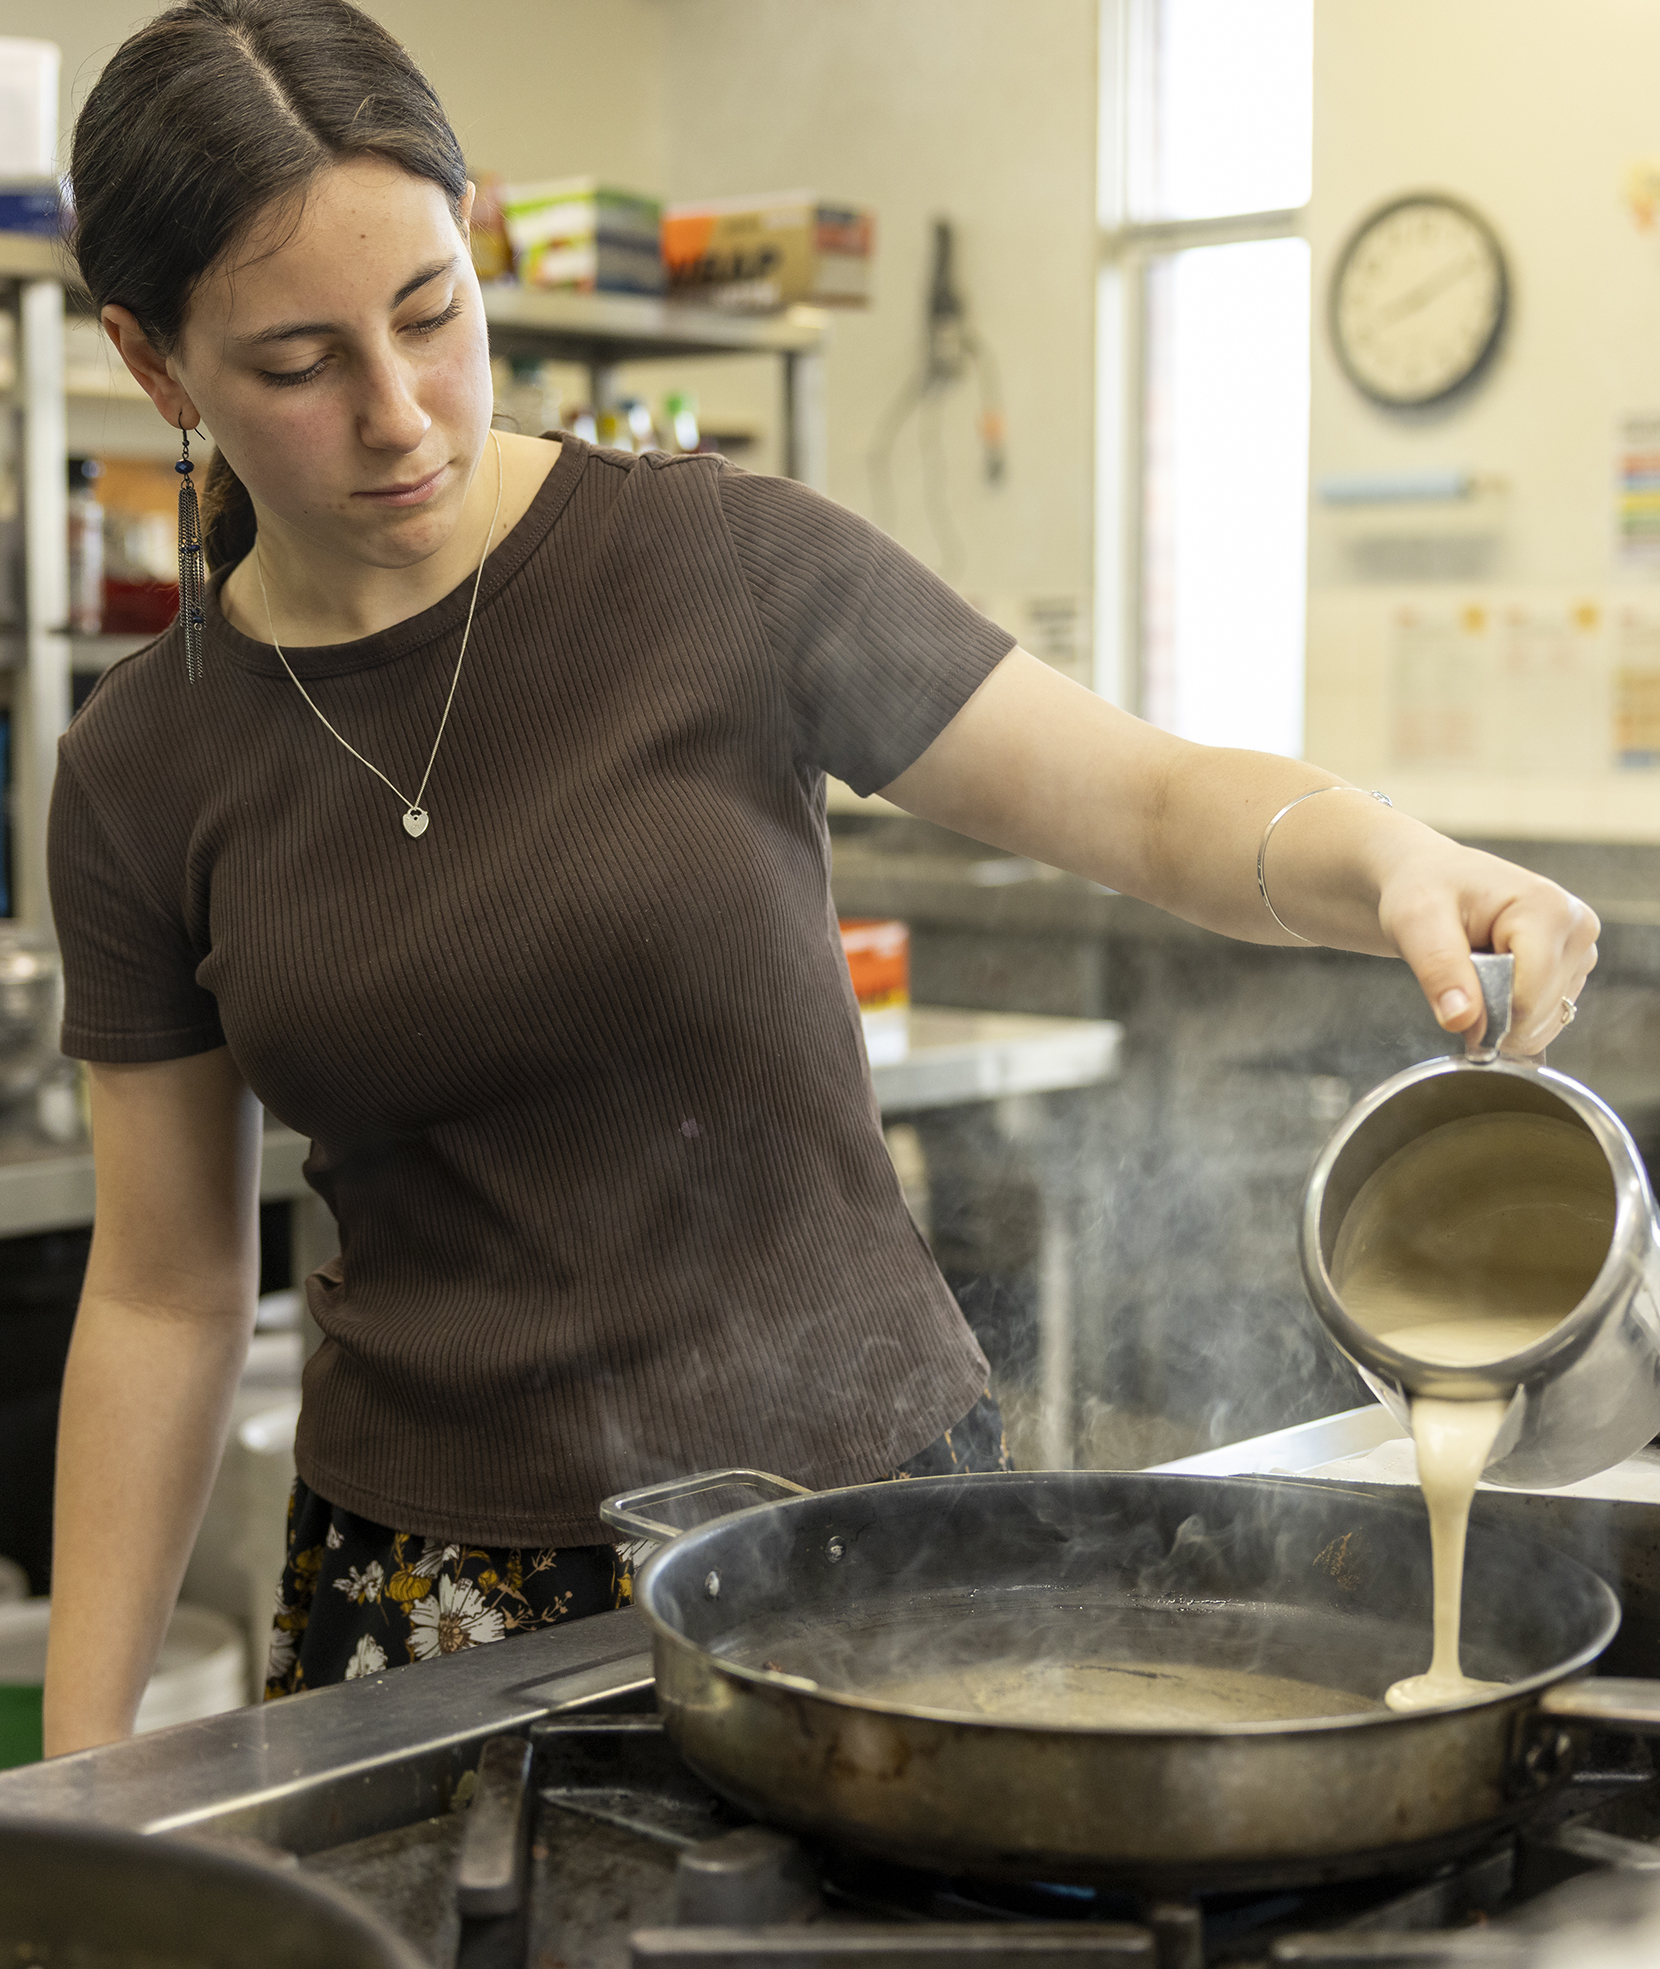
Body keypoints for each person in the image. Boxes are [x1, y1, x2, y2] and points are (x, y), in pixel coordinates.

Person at [42, 0, 1597, 1757]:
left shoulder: (719, 563)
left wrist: (1389, 852)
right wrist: (86, 1787)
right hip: (427, 1600)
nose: (402, 413)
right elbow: (165, 1291)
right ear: (158, 367)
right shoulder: (141, 769)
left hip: (858, 1528)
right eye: (299, 365)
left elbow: (1153, 803)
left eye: (432, 314)